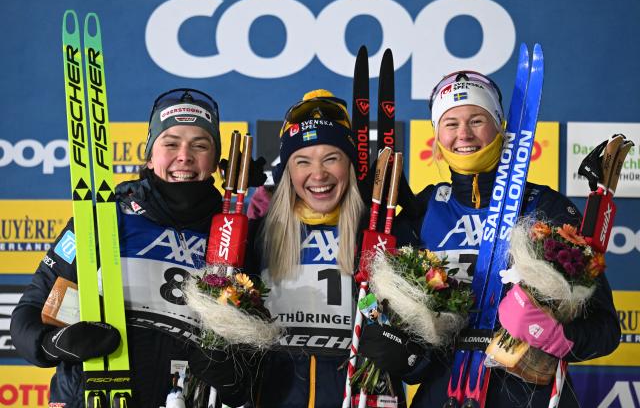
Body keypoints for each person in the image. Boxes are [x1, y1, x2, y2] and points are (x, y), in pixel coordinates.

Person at [11, 88, 263, 407]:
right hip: (96, 397)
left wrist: (233, 374)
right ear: (149, 155)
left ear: (215, 161)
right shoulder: (104, 218)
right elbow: (27, 315)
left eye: (200, 145)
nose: (184, 156)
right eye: (170, 143)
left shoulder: (233, 235)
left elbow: (250, 364)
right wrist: (55, 344)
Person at [391, 72, 621, 407]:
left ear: (500, 126)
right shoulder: (421, 211)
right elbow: (409, 352)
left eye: (477, 120)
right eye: (450, 123)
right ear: (437, 135)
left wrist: (560, 336)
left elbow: (605, 328)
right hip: (444, 395)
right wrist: (402, 350)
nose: (464, 134)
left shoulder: (545, 207)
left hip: (529, 394)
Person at [240, 89, 408, 407]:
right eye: (303, 161)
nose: (318, 174)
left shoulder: (381, 234)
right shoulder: (259, 235)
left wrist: (403, 348)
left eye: (331, 158)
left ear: (349, 165)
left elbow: (412, 347)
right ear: (287, 172)